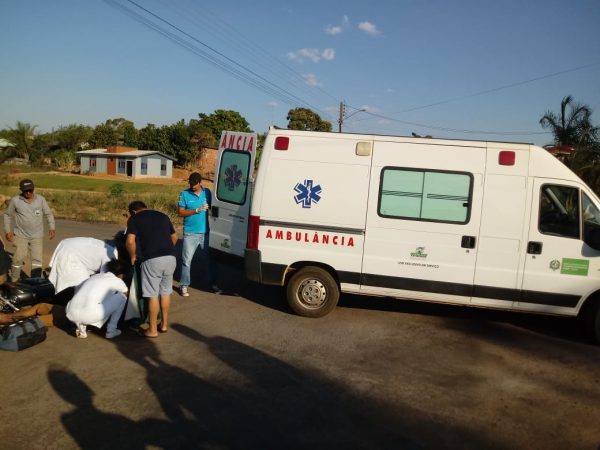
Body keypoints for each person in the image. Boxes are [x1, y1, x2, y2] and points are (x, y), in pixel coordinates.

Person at [125, 200, 177, 338]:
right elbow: (174, 237)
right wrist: (166, 250)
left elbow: (130, 241)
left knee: (152, 295)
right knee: (165, 292)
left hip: (151, 260)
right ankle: (164, 325)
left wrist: (132, 255)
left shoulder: (135, 218)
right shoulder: (163, 216)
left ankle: (152, 330)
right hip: (170, 258)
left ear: (132, 211)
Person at [177, 172, 220, 296]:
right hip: (190, 233)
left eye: (194, 184)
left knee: (211, 260)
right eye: (190, 184)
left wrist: (211, 208)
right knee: (186, 261)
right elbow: (180, 212)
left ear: (200, 183)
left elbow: (214, 208)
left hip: (205, 233)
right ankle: (184, 285)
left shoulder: (207, 193)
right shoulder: (184, 194)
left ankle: (213, 284)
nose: (192, 186)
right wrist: (196, 210)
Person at [3, 178, 55, 281]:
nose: (28, 193)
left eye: (30, 190)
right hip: (20, 235)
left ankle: (35, 281)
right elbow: (7, 215)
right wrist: (7, 231)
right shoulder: (15, 200)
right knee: (17, 259)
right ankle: (14, 280)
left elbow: (48, 214)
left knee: (37, 260)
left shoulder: (41, 200)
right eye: (25, 191)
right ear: (21, 190)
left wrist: (52, 227)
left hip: (37, 236)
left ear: (33, 189)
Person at [65, 259, 128, 339]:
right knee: (122, 296)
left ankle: (81, 330)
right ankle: (111, 330)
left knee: (87, 299)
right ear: (121, 275)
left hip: (70, 312)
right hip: (89, 315)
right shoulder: (117, 281)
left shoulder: (95, 276)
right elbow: (125, 293)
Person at [48, 237, 119, 295]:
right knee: (80, 289)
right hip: (70, 254)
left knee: (83, 288)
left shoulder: (112, 251)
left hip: (69, 246)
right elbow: (104, 279)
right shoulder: (111, 257)